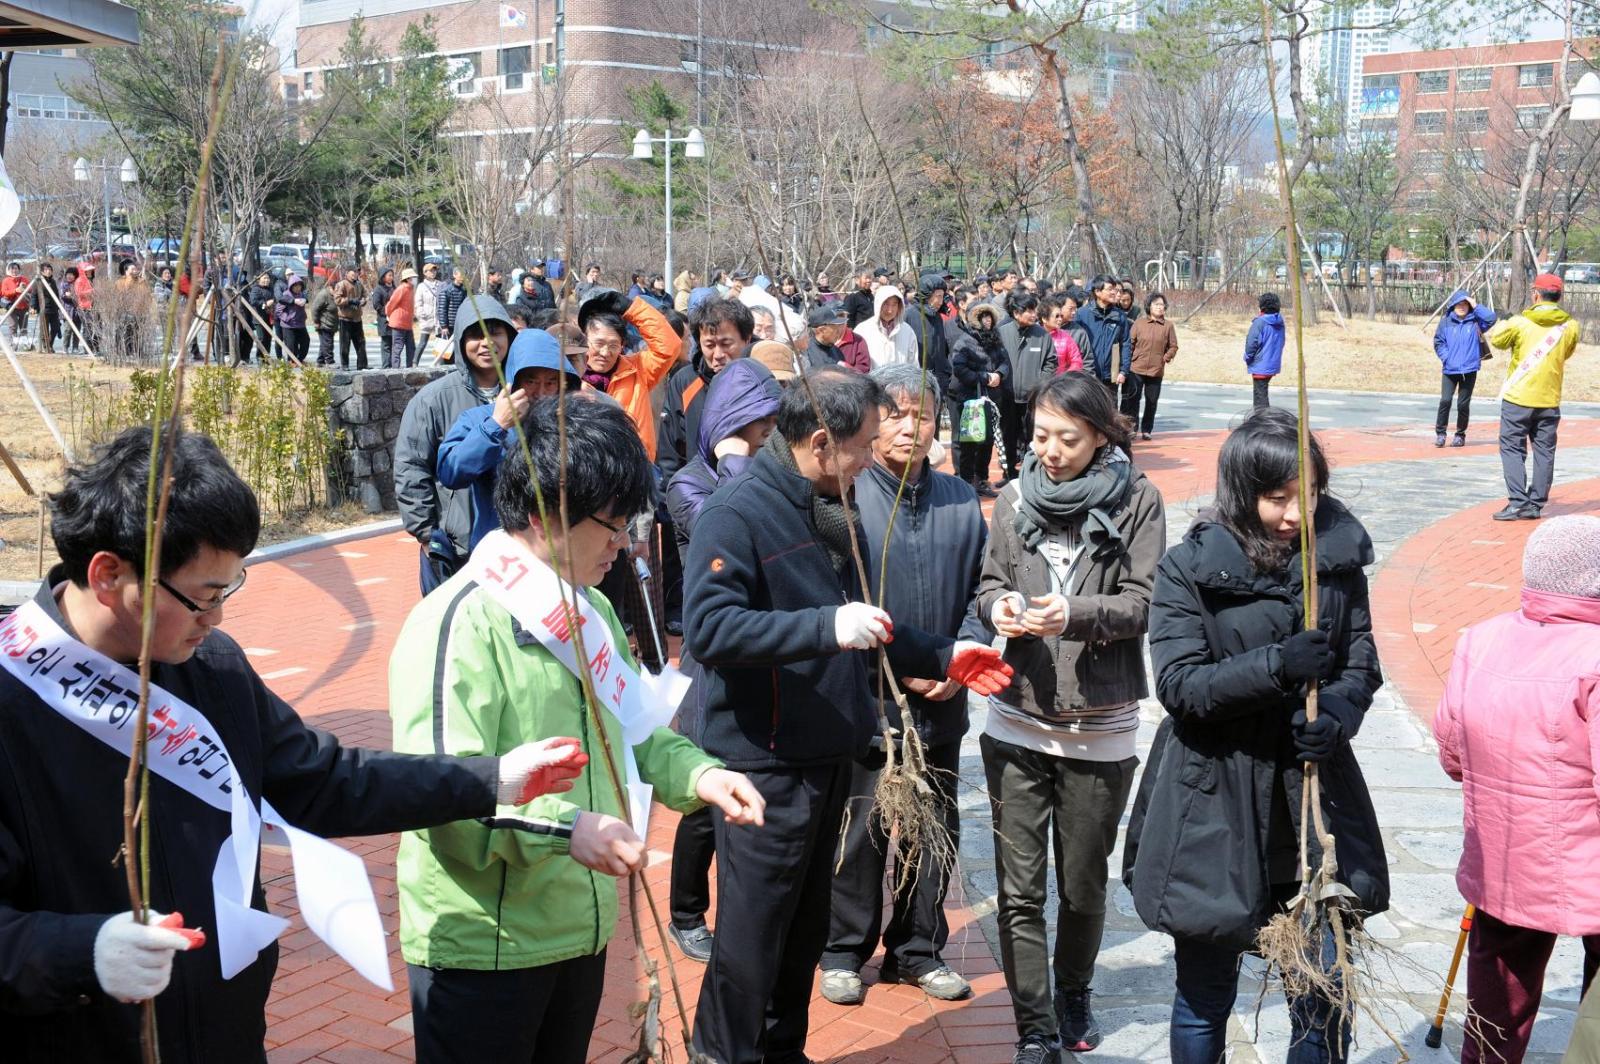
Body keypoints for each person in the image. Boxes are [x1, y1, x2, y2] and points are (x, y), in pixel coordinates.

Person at [0, 426, 590, 1062]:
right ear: (109, 574)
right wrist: (81, 953)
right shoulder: (13, 699)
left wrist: (491, 779)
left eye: (228, 591)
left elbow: (326, 780)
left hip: (226, 1035)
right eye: (202, 598)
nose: (217, 618)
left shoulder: (213, 670)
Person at [391, 395, 765, 1063]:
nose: (624, 544)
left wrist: (702, 774)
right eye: (612, 525)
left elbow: (636, 727)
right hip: (485, 945)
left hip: (578, 926)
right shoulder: (458, 623)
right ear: (545, 514)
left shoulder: (589, 607)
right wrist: (570, 829)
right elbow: (444, 794)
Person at [685, 368, 1012, 1064]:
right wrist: (824, 627)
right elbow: (710, 629)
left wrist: (946, 653)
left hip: (827, 753)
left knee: (803, 930)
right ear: (821, 443)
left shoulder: (826, 503)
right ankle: (723, 1053)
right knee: (751, 937)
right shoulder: (738, 511)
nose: (871, 457)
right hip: (763, 765)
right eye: (864, 443)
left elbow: (870, 619)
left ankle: (783, 1051)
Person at [1126, 406, 1386, 1064]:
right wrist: (1277, 667)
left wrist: (1336, 716)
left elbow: (1360, 663)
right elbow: (1181, 685)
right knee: (1205, 995)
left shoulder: (1337, 563)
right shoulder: (1188, 568)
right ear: (1243, 494)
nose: (1297, 513)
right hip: (1213, 800)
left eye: (1310, 494)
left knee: (1322, 992)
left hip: (1311, 804)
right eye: (1278, 498)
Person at [975, 373, 1165, 1063]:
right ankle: (1035, 1027)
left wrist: (1076, 614)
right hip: (1016, 721)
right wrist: (998, 608)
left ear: (1101, 437)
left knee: (1082, 888)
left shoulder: (1138, 499)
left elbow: (1144, 601)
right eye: (1040, 436)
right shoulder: (1014, 497)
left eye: (1068, 439)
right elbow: (990, 583)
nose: (1050, 452)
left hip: (1098, 729)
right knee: (1019, 892)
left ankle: (1074, 991)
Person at [819, 364, 989, 1007]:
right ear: (872, 423)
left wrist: (960, 660)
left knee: (934, 826)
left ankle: (918, 949)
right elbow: (832, 600)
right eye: (894, 415)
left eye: (923, 415)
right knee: (859, 827)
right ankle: (843, 949)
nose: (909, 428)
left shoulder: (961, 499)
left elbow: (983, 590)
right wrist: (889, 669)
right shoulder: (846, 498)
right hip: (868, 696)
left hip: (943, 698)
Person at [1433, 514, 1600, 1064]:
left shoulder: (1479, 640)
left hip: (1504, 855)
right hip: (1588, 860)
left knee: (1495, 1005)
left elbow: (1452, 754)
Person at [663, 357, 783, 964]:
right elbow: (732, 524)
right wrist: (736, 462)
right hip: (709, 656)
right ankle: (686, 913)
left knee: (754, 784)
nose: (766, 439)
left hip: (760, 646)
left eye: (772, 427)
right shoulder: (687, 483)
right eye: (758, 427)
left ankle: (745, 915)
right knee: (703, 794)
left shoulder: (768, 470)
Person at [395, 296, 515, 593]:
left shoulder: (526, 391)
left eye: (496, 333)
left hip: (518, 547)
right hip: (455, 547)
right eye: (476, 335)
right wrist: (427, 533)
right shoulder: (433, 399)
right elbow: (411, 467)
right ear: (461, 340)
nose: (487, 343)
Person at [1488, 272, 1580, 521]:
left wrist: (1505, 321)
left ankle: (1518, 502)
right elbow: (1566, 353)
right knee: (1544, 452)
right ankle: (1535, 504)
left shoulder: (1520, 323)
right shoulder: (1570, 326)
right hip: (1549, 399)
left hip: (1518, 398)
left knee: (1512, 448)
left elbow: (1497, 340)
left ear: (1536, 294)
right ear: (1559, 296)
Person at [576, 288, 682, 460]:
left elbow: (669, 345)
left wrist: (631, 309)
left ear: (622, 345)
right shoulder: (570, 377)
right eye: (599, 343)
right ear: (584, 340)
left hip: (637, 466)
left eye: (613, 345)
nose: (605, 352)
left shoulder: (637, 370)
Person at [657, 298, 755, 484]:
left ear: (747, 339)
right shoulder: (685, 382)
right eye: (709, 345)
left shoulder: (763, 381)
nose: (718, 355)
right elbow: (670, 454)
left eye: (726, 344)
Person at [950, 300, 1007, 497]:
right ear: (976, 320)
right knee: (969, 441)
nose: (988, 321)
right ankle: (966, 481)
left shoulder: (996, 339)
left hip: (991, 398)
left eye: (990, 317)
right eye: (984, 317)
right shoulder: (964, 341)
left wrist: (999, 374)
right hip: (970, 398)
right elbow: (959, 369)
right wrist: (984, 377)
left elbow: (1004, 362)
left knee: (987, 440)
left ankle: (981, 479)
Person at [997, 291, 1056, 483]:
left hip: (1032, 397)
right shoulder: (1002, 332)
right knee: (1008, 435)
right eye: (1029, 311)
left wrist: (1040, 383)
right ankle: (1008, 472)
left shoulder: (1042, 335)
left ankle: (1034, 472)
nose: (1033, 314)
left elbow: (1051, 362)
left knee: (1033, 435)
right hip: (1007, 396)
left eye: (1034, 310)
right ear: (1016, 313)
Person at [1431, 290, 1496, 448]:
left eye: (1465, 304)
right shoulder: (1446, 322)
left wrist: (1475, 305)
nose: (1461, 307)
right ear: (1453, 306)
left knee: (1463, 404)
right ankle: (1441, 434)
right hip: (1450, 370)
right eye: (1458, 304)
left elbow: (1491, 318)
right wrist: (1446, 358)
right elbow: (1438, 342)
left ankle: (1460, 435)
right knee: (1445, 401)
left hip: (1469, 370)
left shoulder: (1476, 322)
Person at [1127, 292, 1178, 440]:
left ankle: (1147, 429)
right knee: (1133, 400)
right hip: (1136, 368)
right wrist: (1129, 360)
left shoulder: (1168, 326)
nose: (1160, 307)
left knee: (1152, 401)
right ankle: (1132, 428)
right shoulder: (1139, 323)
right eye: (1156, 304)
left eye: (1162, 305)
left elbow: (1173, 346)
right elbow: (1130, 343)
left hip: (1156, 370)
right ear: (1149, 306)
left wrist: (1165, 358)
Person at [1076, 275, 1130, 399]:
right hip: (1088, 374)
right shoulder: (1082, 314)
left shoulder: (1119, 316)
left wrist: (1123, 371)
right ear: (1097, 292)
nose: (1114, 292)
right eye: (1110, 289)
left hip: (1110, 375)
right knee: (1089, 408)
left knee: (1110, 408)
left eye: (1115, 289)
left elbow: (1125, 344)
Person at [858, 283, 919, 369]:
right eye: (886, 304)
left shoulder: (907, 331)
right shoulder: (863, 330)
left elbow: (914, 364)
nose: (890, 310)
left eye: (894, 304)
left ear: (899, 306)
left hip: (902, 377)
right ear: (878, 304)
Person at [1243, 292, 1285, 409]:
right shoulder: (1280, 322)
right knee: (1262, 392)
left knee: (1260, 397)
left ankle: (1261, 418)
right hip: (1273, 362)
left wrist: (1247, 357)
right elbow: (1282, 342)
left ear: (1262, 306)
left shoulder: (1259, 322)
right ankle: (1261, 416)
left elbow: (1251, 344)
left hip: (1260, 363)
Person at [804, 303, 870, 373]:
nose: (839, 331)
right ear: (822, 330)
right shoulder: (807, 354)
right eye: (835, 328)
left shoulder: (837, 351)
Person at [332, 265, 368, 371]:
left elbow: (365, 295)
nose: (355, 274)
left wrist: (363, 301)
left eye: (357, 272)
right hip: (345, 319)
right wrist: (350, 301)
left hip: (357, 318)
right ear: (347, 273)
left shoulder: (359, 284)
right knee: (345, 344)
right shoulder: (341, 284)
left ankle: (362, 365)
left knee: (361, 343)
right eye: (353, 272)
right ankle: (345, 364)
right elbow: (337, 300)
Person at [1042, 297, 1084, 376]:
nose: (1060, 319)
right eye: (1057, 316)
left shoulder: (1065, 337)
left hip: (1059, 381)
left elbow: (1076, 361)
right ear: (1044, 318)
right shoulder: (1035, 336)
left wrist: (1065, 377)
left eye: (1061, 316)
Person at [274, 272, 310, 363]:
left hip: (300, 324)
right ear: (291, 286)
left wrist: (305, 300)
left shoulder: (302, 294)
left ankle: (299, 359)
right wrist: (286, 318)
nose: (298, 288)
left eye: (299, 286)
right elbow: (278, 310)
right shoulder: (286, 295)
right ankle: (292, 361)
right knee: (291, 345)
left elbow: (307, 296)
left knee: (306, 341)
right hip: (288, 325)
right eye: (295, 286)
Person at [386, 267, 418, 368]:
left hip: (407, 323)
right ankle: (395, 370)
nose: (414, 279)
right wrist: (388, 314)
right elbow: (391, 303)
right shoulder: (401, 289)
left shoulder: (410, 289)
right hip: (399, 323)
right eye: (412, 277)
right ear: (407, 279)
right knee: (397, 348)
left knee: (411, 348)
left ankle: (410, 369)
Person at [242, 269, 276, 362]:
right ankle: (260, 357)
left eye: (268, 278)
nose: (267, 280)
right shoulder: (255, 289)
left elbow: (274, 299)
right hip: (259, 318)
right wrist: (265, 304)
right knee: (261, 338)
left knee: (268, 339)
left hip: (269, 317)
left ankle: (266, 358)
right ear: (258, 279)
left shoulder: (271, 288)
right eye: (264, 278)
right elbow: (253, 301)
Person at [414, 261, 445, 354]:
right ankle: (414, 361)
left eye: (434, 270)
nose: (433, 272)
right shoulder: (421, 286)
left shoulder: (441, 285)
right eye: (431, 271)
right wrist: (422, 315)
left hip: (438, 319)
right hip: (427, 319)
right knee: (422, 343)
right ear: (425, 273)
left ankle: (439, 361)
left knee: (440, 344)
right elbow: (418, 303)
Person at [309, 278, 338, 366]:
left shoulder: (336, 296)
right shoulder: (323, 295)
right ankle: (330, 361)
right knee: (328, 343)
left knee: (324, 343)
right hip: (324, 324)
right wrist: (316, 321)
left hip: (332, 323)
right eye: (336, 290)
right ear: (330, 288)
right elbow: (314, 308)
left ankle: (320, 361)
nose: (337, 292)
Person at [370, 267, 395, 361]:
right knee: (386, 344)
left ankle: (393, 365)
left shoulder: (394, 288)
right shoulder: (378, 289)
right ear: (383, 277)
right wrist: (387, 312)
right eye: (389, 275)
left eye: (392, 275)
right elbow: (376, 305)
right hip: (384, 320)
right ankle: (386, 366)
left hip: (394, 319)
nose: (391, 277)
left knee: (394, 344)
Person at [436, 267, 468, 341]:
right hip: (450, 325)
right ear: (454, 275)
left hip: (462, 324)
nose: (463, 277)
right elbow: (442, 310)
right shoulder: (446, 291)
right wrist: (444, 326)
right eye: (461, 275)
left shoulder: (465, 290)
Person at [37, 262, 61, 353]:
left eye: (50, 269)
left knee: (56, 327)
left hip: (54, 309)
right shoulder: (39, 282)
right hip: (44, 308)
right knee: (45, 330)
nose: (49, 271)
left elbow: (56, 295)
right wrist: (33, 307)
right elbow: (34, 295)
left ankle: (49, 344)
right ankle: (46, 346)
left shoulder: (53, 281)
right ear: (42, 271)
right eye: (46, 270)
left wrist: (58, 306)